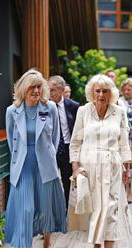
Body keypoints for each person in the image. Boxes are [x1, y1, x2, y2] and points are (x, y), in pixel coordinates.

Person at [4, 69, 67, 248]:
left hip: (45, 166)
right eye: (33, 87)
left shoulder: (50, 108)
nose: (37, 90)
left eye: (40, 86)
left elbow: (56, 137)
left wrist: (48, 157)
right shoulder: (12, 111)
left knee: (44, 207)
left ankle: (47, 245)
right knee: (25, 209)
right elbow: (10, 139)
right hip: (23, 167)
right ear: (24, 89)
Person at [70, 74, 132, 248]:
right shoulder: (83, 111)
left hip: (112, 166)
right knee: (95, 210)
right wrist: (75, 168)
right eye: (97, 90)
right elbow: (75, 142)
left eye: (105, 91)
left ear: (111, 93)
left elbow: (124, 142)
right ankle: (96, 247)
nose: (101, 94)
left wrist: (127, 168)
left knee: (110, 209)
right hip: (89, 167)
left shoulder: (119, 112)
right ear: (91, 92)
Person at [49, 75, 80, 207]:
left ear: (62, 90)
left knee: (67, 181)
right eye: (48, 90)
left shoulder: (73, 106)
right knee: (50, 181)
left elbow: (78, 130)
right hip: (50, 149)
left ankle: (66, 210)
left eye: (53, 90)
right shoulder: (45, 106)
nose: (50, 93)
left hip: (67, 149)